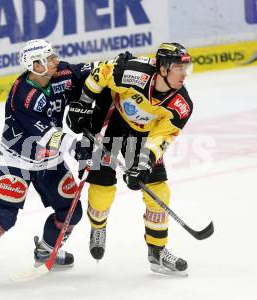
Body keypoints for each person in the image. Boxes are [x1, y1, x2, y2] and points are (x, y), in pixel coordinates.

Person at [0, 39, 94, 295]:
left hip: (49, 161)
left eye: (53, 56)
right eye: (49, 58)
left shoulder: (62, 74)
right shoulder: (23, 95)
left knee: (71, 210)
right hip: (16, 160)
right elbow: (44, 133)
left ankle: (46, 251)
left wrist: (117, 71)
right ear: (35, 65)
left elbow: (93, 72)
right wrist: (74, 144)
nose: (55, 61)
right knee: (2, 217)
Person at [67, 43, 193, 276]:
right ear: (163, 68)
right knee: (102, 185)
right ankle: (98, 227)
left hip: (142, 135)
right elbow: (102, 73)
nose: (184, 74)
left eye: (186, 68)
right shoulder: (133, 72)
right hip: (110, 119)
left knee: (158, 190)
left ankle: (157, 251)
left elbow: (162, 136)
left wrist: (144, 164)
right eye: (178, 68)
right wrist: (83, 104)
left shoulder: (181, 105)